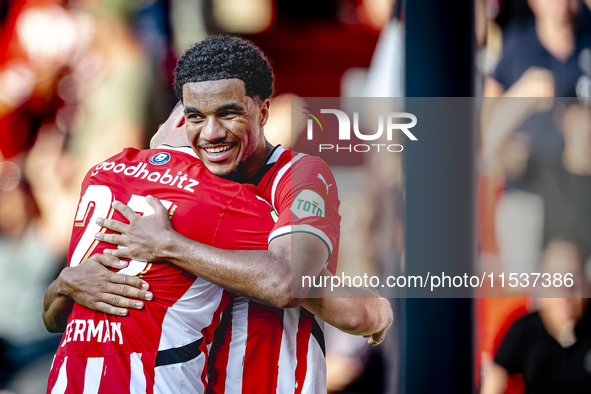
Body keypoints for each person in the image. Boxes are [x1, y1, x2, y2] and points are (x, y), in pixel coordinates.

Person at [43, 101, 392, 392]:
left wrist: (64, 283)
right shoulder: (219, 199)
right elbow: (345, 309)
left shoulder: (103, 174)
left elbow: (53, 318)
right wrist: (379, 312)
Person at [481, 239, 591, 393]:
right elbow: (494, 378)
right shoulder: (525, 330)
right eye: (556, 284)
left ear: (586, 284)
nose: (565, 295)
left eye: (573, 284)